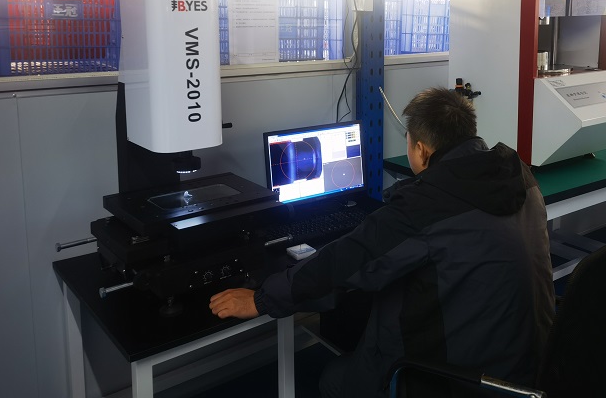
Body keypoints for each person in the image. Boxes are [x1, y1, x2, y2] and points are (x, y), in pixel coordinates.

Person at [210, 87, 555, 397]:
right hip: (527, 358)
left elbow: (346, 262)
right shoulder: (519, 176)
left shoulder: (428, 206)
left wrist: (262, 298)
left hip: (458, 378)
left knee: (334, 379)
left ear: (421, 149)